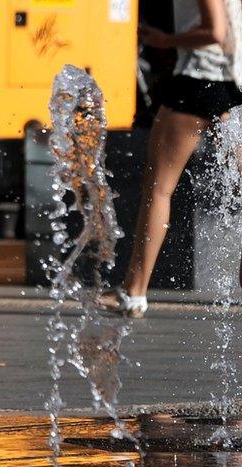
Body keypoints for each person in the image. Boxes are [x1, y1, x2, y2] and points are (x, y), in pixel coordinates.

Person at [102, 0, 242, 317]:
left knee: (159, 188)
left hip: (198, 83)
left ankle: (134, 292)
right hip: (233, 84)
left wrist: (165, 41)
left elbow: (214, 31)